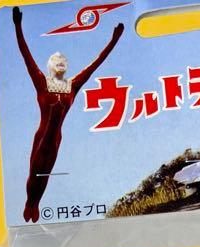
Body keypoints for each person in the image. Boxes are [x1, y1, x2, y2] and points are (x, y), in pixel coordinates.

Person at [12, 7, 124, 222]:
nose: (59, 63)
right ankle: (29, 203)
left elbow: (96, 63)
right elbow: (26, 56)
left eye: (62, 61)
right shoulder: (41, 82)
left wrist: (114, 40)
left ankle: (36, 204)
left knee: (45, 173)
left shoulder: (73, 85)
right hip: (42, 134)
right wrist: (18, 26)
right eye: (55, 61)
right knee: (35, 171)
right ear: (50, 67)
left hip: (56, 138)